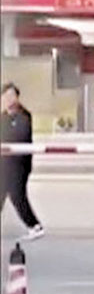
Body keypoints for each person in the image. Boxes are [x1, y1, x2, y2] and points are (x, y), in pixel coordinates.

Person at [1, 82, 44, 240]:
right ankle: (34, 225)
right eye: (6, 96)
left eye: (12, 95)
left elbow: (20, 136)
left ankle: (35, 225)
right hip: (4, 165)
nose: (9, 99)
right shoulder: (3, 117)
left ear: (17, 98)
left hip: (19, 165)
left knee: (17, 195)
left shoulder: (24, 116)